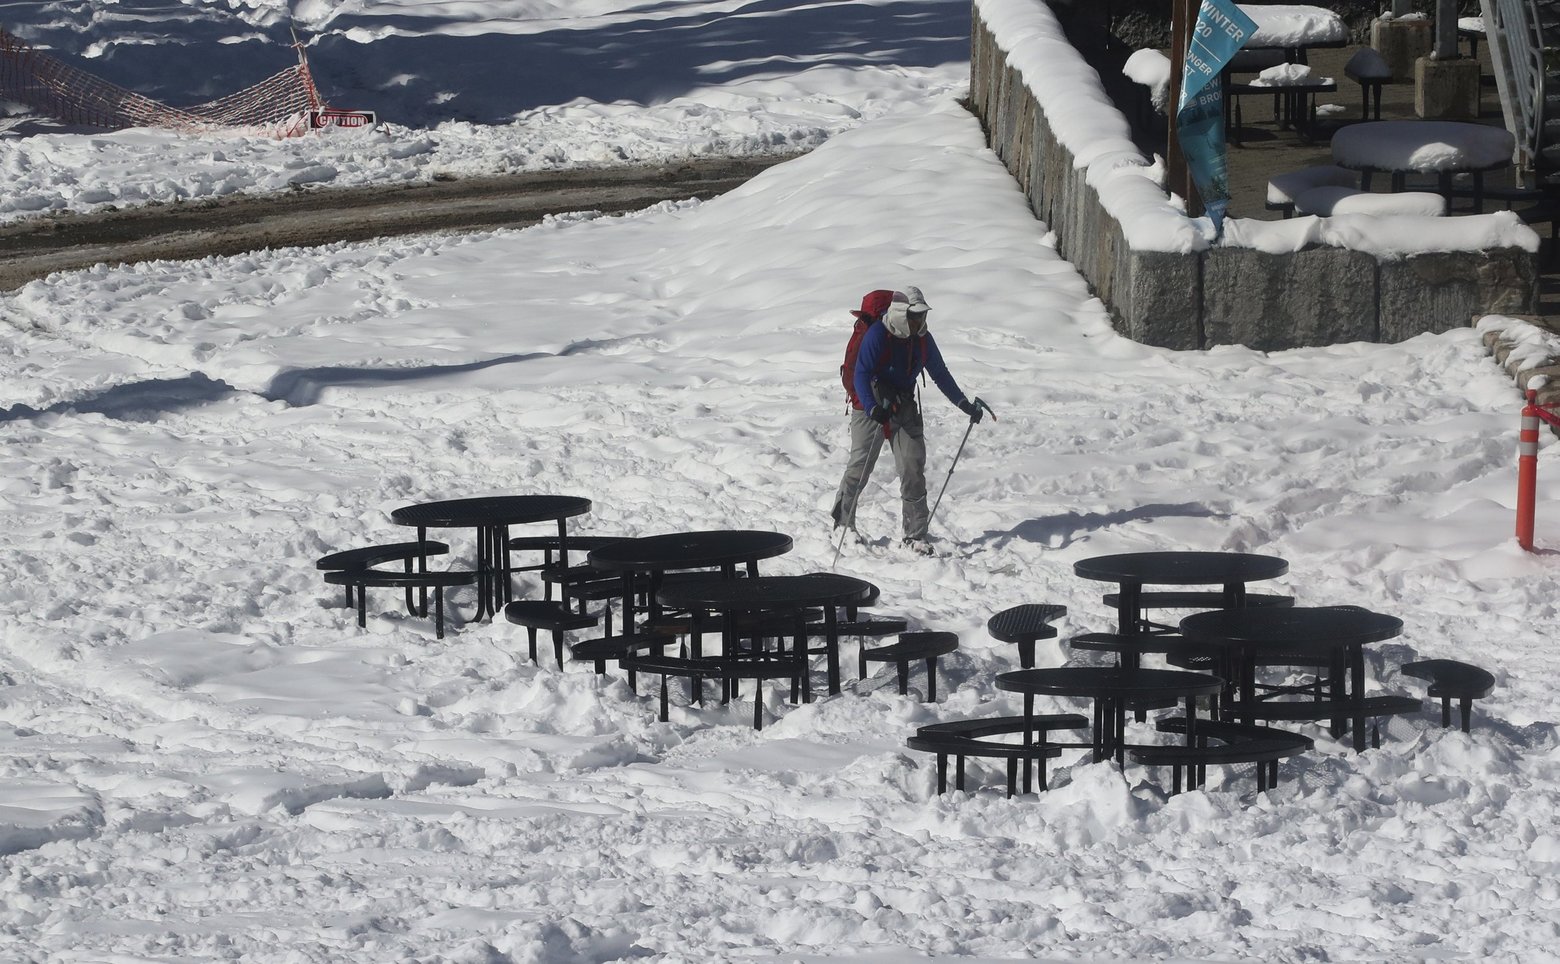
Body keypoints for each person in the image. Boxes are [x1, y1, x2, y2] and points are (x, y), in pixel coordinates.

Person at [831, 286, 985, 552]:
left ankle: (915, 535)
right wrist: (871, 408)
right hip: (870, 403)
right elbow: (861, 374)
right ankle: (842, 525)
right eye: (914, 316)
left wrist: (963, 404)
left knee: (912, 465)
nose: (919, 321)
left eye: (922, 315)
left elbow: (940, 373)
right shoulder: (879, 334)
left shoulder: (923, 339)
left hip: (902, 403)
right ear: (902, 313)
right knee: (860, 465)